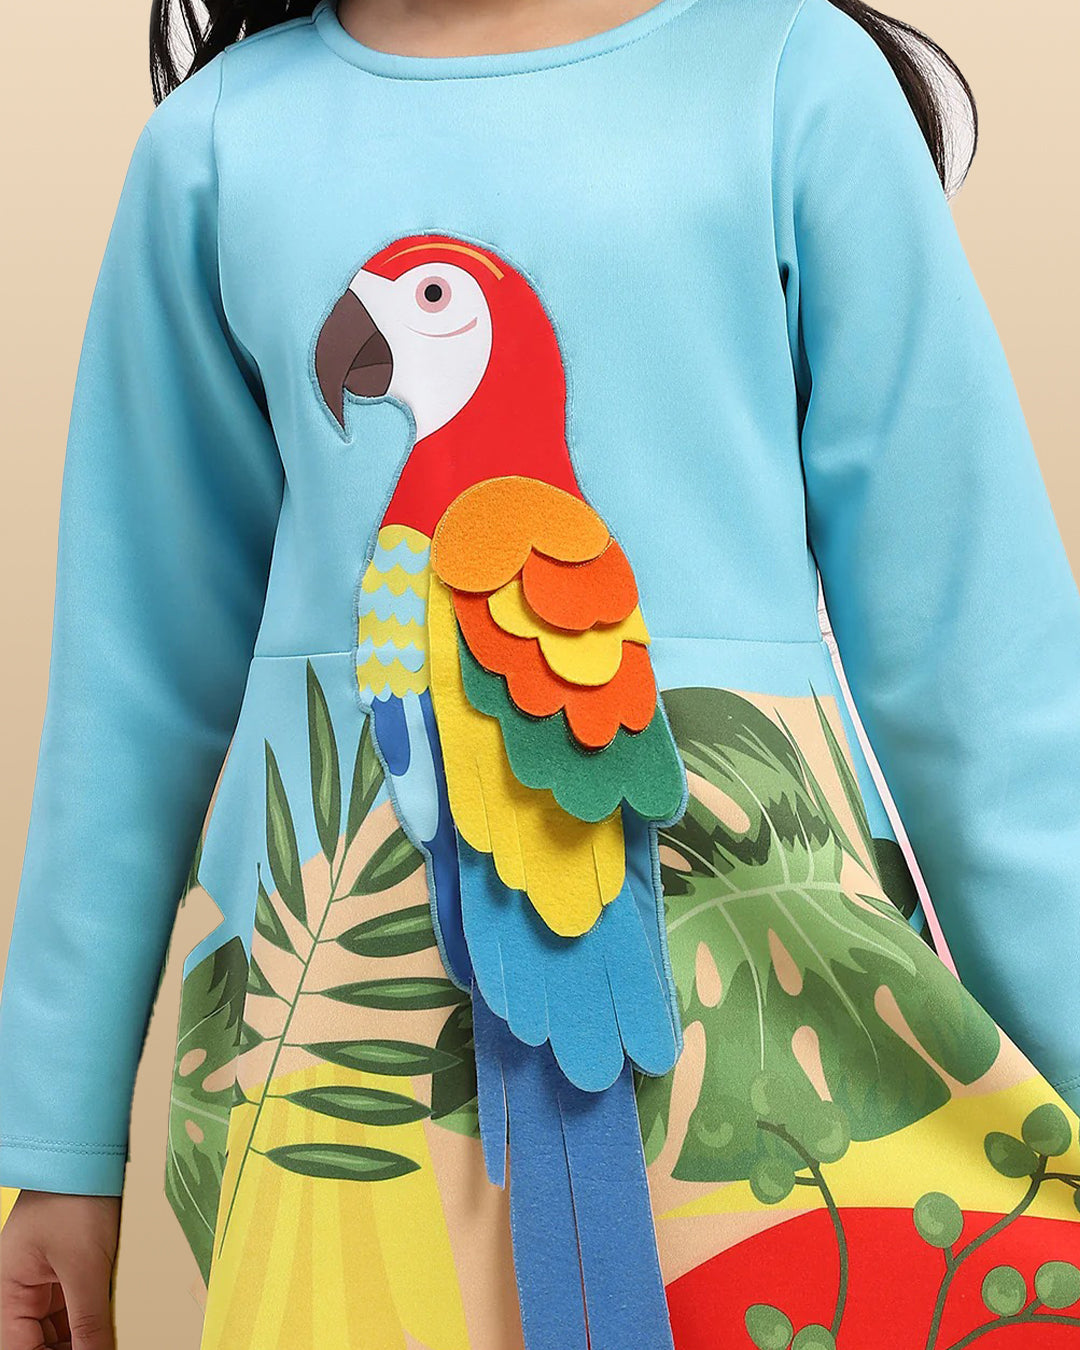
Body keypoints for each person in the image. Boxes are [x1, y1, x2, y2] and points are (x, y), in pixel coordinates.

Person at [2, 0, 1078, 1347]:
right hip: (352, 1048)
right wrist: (59, 1138)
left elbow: (983, 680)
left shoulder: (792, 76)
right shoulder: (220, 142)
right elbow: (130, 694)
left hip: (756, 1011)